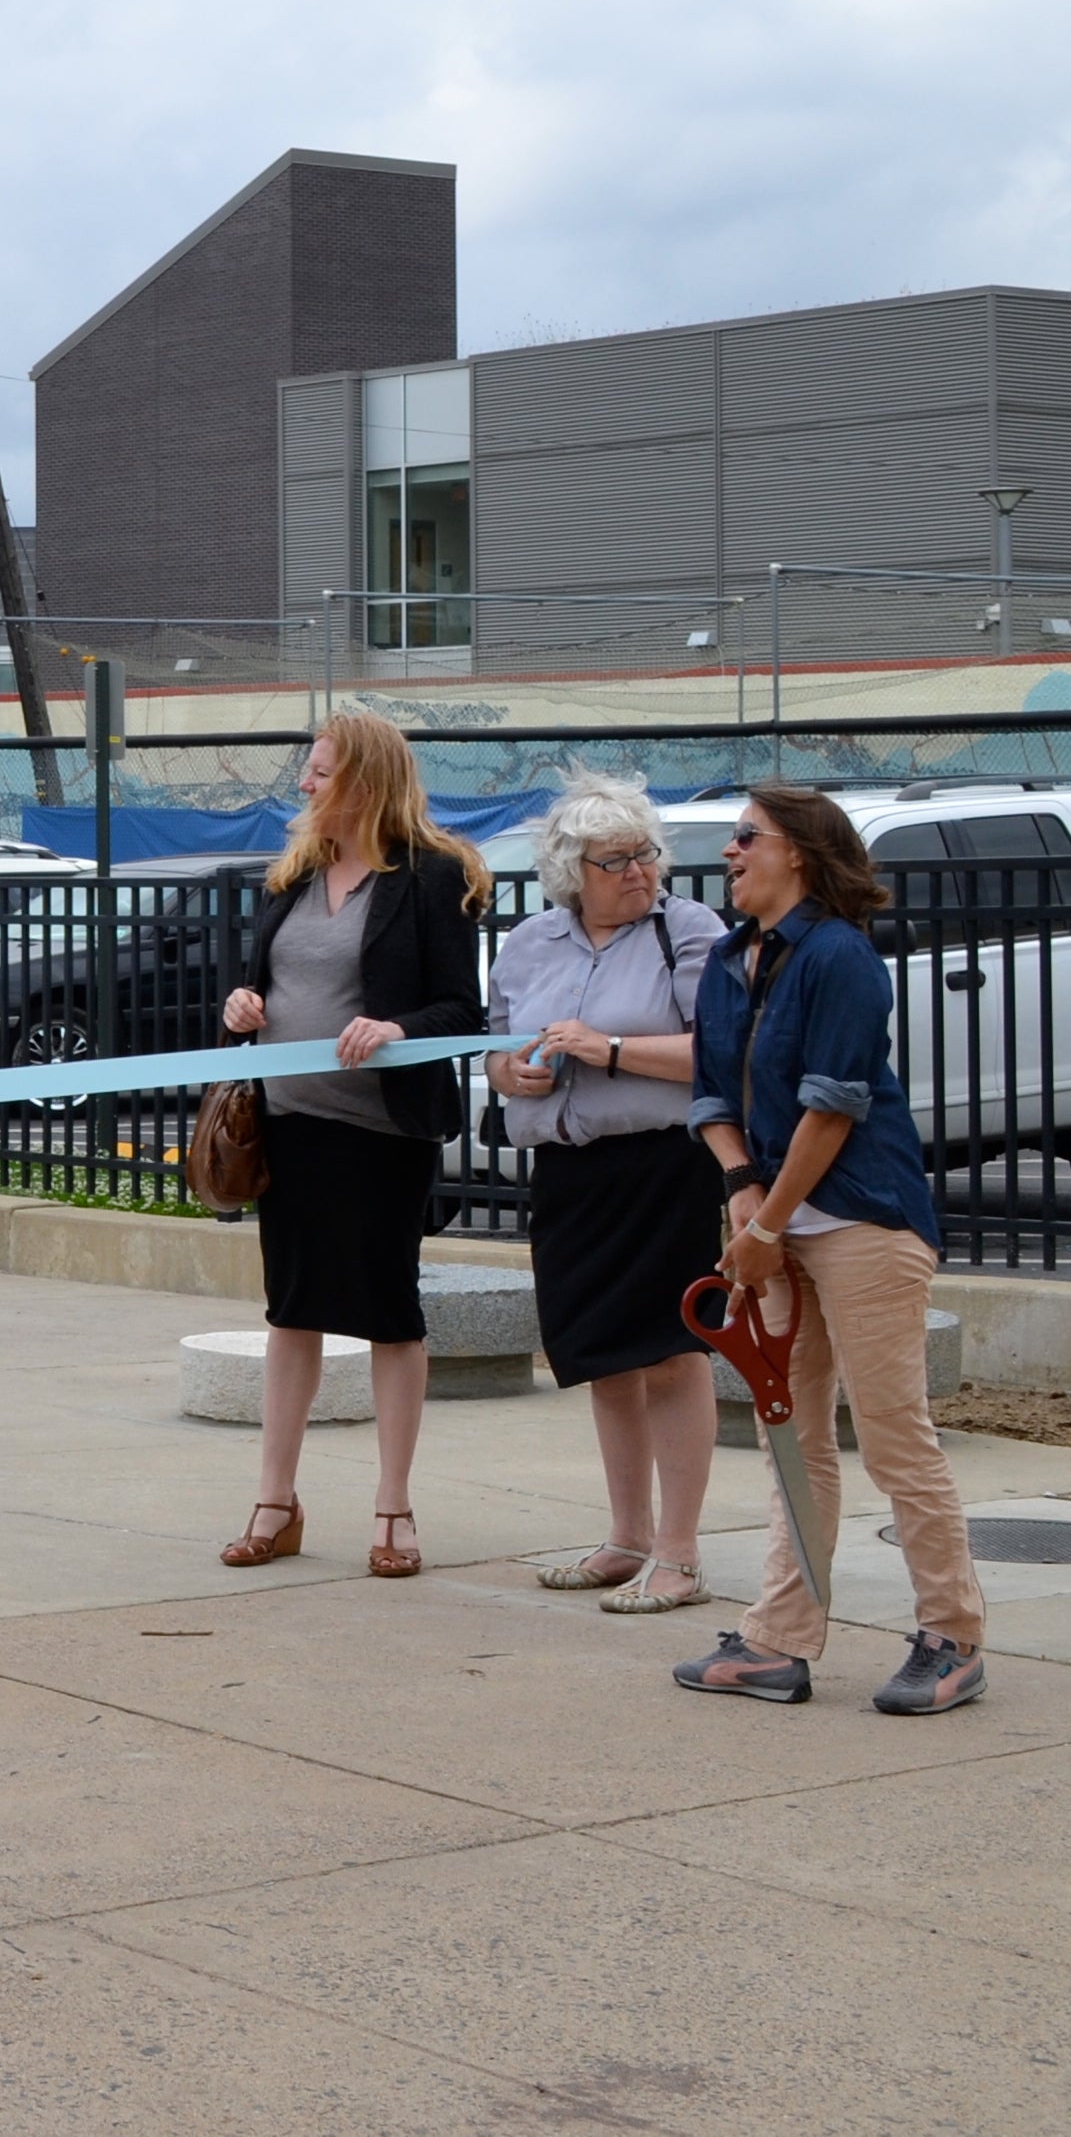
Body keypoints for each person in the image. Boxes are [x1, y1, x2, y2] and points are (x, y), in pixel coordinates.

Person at [675, 784, 985, 1715]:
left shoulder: (841, 956)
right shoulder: (730, 960)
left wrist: (767, 1227)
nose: (728, 852)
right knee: (789, 1436)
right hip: (772, 1222)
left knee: (892, 1434)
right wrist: (742, 1193)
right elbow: (710, 1100)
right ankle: (779, 1638)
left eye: (744, 838)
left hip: (861, 1221)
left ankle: (953, 1637)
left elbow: (831, 1107)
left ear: (799, 854)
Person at [217, 710, 489, 1579]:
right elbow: (269, 984)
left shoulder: (431, 877)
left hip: (379, 1129)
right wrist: (241, 1004)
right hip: (287, 1122)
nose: (304, 782)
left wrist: (396, 1026)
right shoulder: (291, 876)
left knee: (387, 1314)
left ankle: (393, 1508)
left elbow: (462, 1011)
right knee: (289, 1310)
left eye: (320, 769)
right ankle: (273, 1501)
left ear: (365, 780)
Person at [484, 772, 728, 1614]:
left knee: (669, 1351)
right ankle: (626, 1538)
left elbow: (719, 1054)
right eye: (614, 860)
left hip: (662, 1165)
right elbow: (494, 1047)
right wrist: (508, 1072)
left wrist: (608, 1047)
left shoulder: (690, 932)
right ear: (568, 872)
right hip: (569, 1171)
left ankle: (681, 1555)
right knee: (600, 1356)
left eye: (644, 854)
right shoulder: (525, 944)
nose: (637, 872)